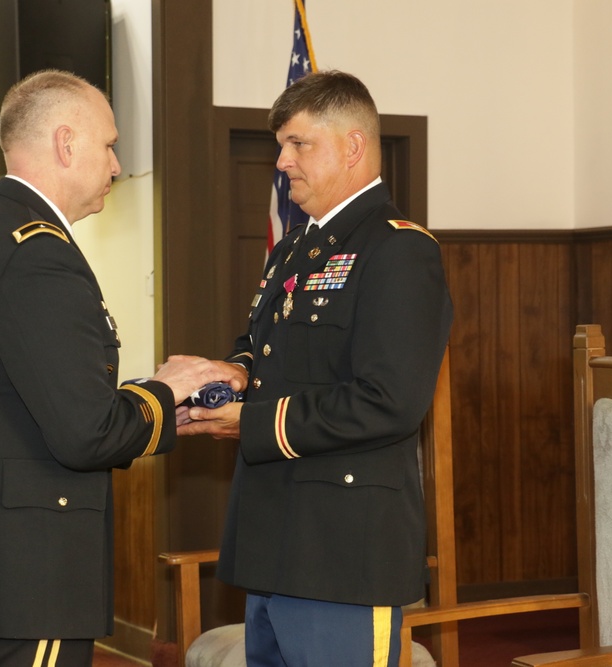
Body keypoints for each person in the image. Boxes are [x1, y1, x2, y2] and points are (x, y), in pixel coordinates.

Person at [0, 69, 241, 667]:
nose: (116, 165)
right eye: (109, 145)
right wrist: (170, 387)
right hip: (26, 572)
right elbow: (85, 431)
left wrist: (165, 408)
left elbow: (37, 400)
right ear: (66, 144)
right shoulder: (37, 255)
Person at [178, 70, 454, 666]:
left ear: (353, 146)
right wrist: (231, 372)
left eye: (298, 144)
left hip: (343, 550)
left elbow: (389, 401)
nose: (282, 161)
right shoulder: (296, 247)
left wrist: (248, 423)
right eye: (282, 145)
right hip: (272, 535)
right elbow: (263, 345)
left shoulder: (399, 250)